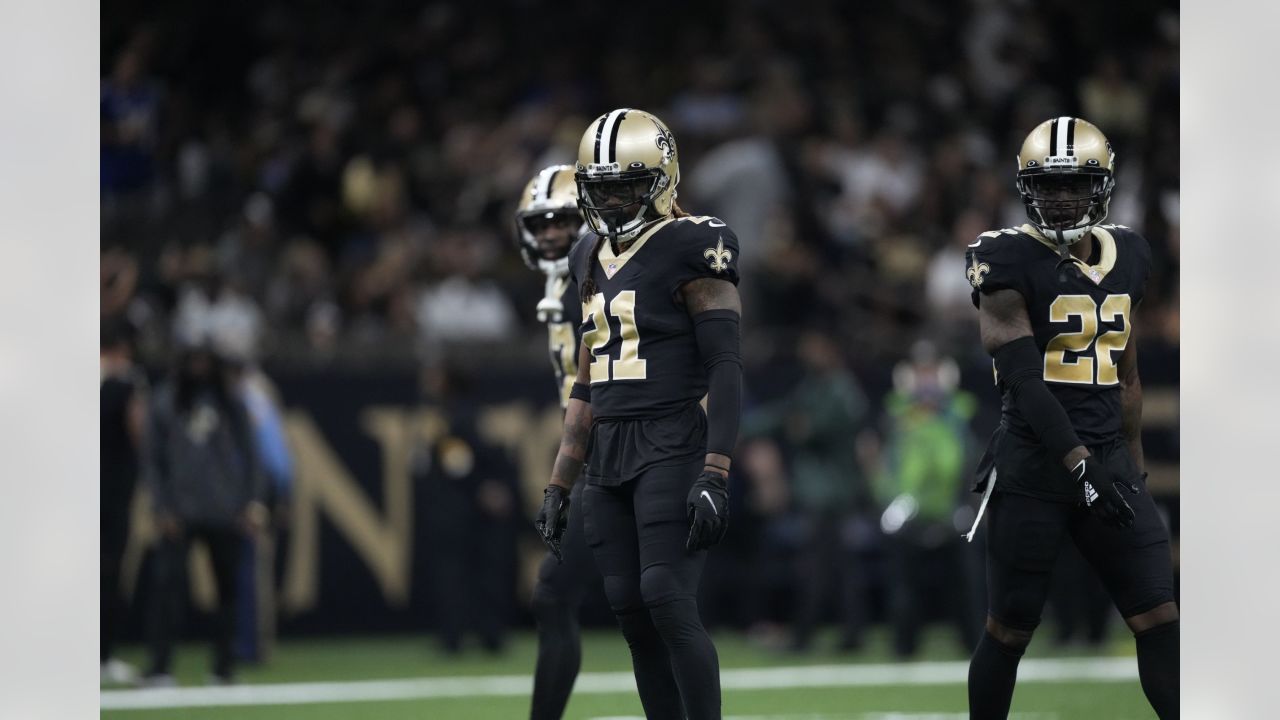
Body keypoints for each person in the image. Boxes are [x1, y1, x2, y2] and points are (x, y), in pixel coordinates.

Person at [963, 117, 1178, 719]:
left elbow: (1127, 375)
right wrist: (1077, 461)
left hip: (1106, 458)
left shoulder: (1130, 253)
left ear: (1102, 187)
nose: (1060, 198)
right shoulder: (1002, 257)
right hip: (1035, 463)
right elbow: (1025, 380)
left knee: (1158, 614)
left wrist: (1128, 469)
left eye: (1074, 184)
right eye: (1047, 185)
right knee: (1009, 631)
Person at [534, 108, 742, 720]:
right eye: (602, 188)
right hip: (609, 454)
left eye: (627, 185)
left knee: (666, 596)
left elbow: (727, 364)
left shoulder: (694, 243)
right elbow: (586, 381)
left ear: (662, 179)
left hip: (672, 439)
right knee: (629, 608)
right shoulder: (585, 255)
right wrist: (559, 482)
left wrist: (716, 471)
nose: (614, 200)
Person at [514, 164, 602, 720]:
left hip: (619, 456)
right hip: (599, 460)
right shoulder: (562, 284)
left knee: (555, 594)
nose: (550, 233)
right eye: (541, 222)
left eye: (563, 220)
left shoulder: (592, 283)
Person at [143, 339, 268, 686]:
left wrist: (252, 504)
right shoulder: (166, 400)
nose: (200, 369)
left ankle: (224, 667)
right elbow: (153, 460)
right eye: (193, 361)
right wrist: (162, 507)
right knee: (166, 590)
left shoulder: (231, 402)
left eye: (206, 362)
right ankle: (160, 666)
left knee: (227, 591)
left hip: (226, 511)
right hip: (179, 512)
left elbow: (253, 457)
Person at [101, 319, 147, 685]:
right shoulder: (126, 382)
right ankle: (101, 654)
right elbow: (139, 433)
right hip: (112, 492)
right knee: (109, 573)